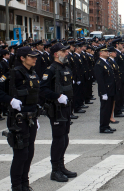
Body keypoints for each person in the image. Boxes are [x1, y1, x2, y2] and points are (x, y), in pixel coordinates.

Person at [2, 46, 41, 191]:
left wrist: (36, 115)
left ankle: (25, 183)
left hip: (30, 117)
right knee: (21, 153)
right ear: (22, 58)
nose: (35, 58)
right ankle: (16, 186)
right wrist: (10, 100)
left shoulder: (32, 72)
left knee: (29, 152)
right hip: (18, 119)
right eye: (32, 57)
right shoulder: (13, 73)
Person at [40, 43, 77, 182]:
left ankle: (61, 166)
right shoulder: (50, 70)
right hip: (56, 108)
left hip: (66, 107)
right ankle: (55, 170)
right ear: (56, 54)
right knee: (58, 139)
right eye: (64, 51)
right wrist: (57, 97)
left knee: (64, 137)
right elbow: (42, 89)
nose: (67, 53)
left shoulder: (65, 67)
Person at [94, 45, 117, 134]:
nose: (108, 52)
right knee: (105, 109)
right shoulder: (99, 64)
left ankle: (107, 125)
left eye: (108, 51)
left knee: (109, 109)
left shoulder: (106, 62)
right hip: (106, 91)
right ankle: (103, 127)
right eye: (105, 51)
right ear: (101, 53)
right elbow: (100, 80)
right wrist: (103, 93)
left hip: (110, 90)